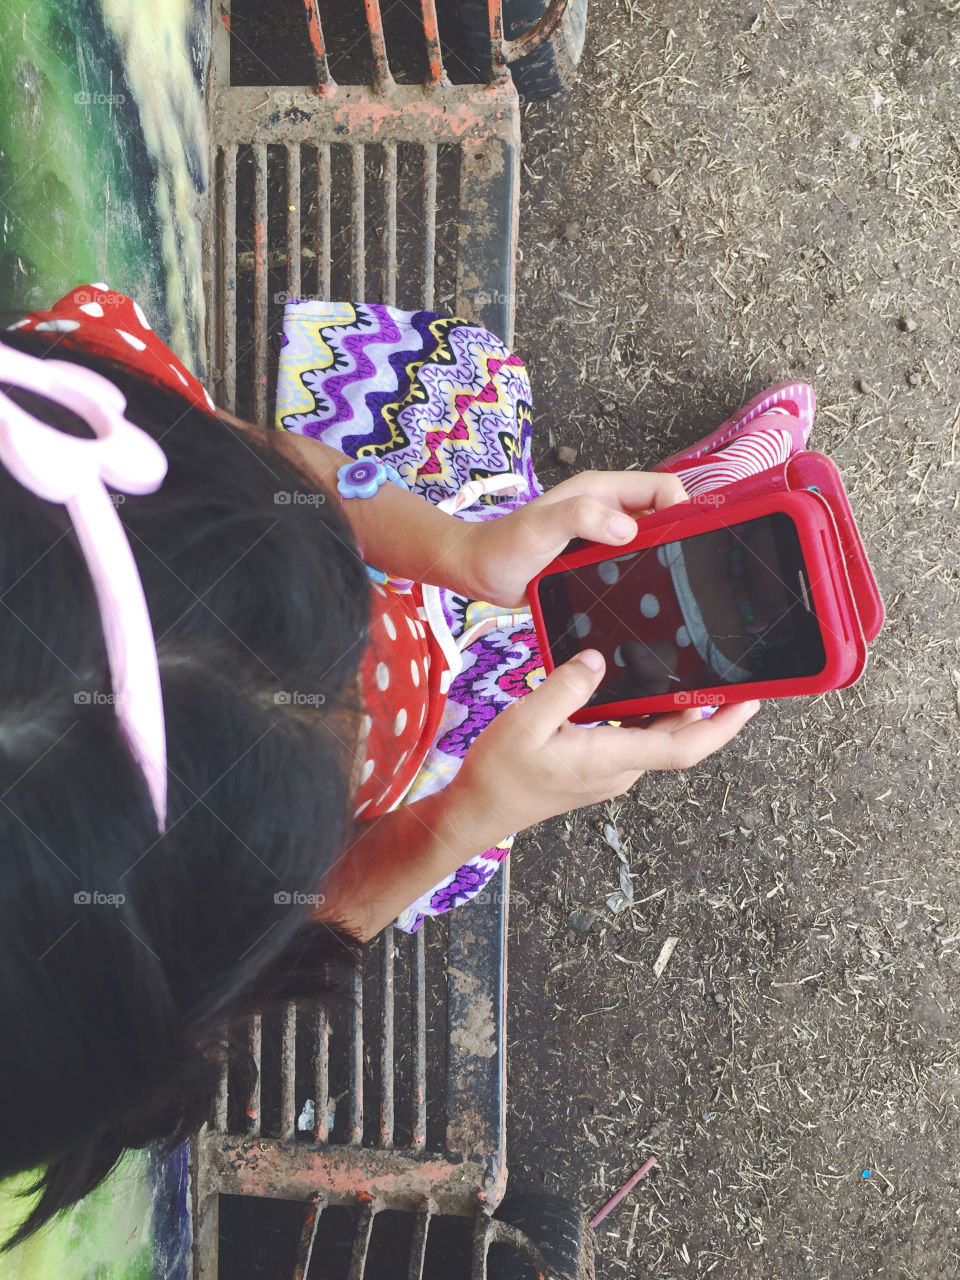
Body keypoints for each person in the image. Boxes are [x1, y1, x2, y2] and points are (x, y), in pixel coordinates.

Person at [0, 285, 814, 1246]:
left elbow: (274, 471)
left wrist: (462, 554)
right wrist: (457, 819)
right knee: (569, 657)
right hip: (416, 798)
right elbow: (306, 928)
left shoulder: (74, 428)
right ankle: (694, 540)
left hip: (425, 601)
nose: (344, 681)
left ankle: (676, 545)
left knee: (538, 570)